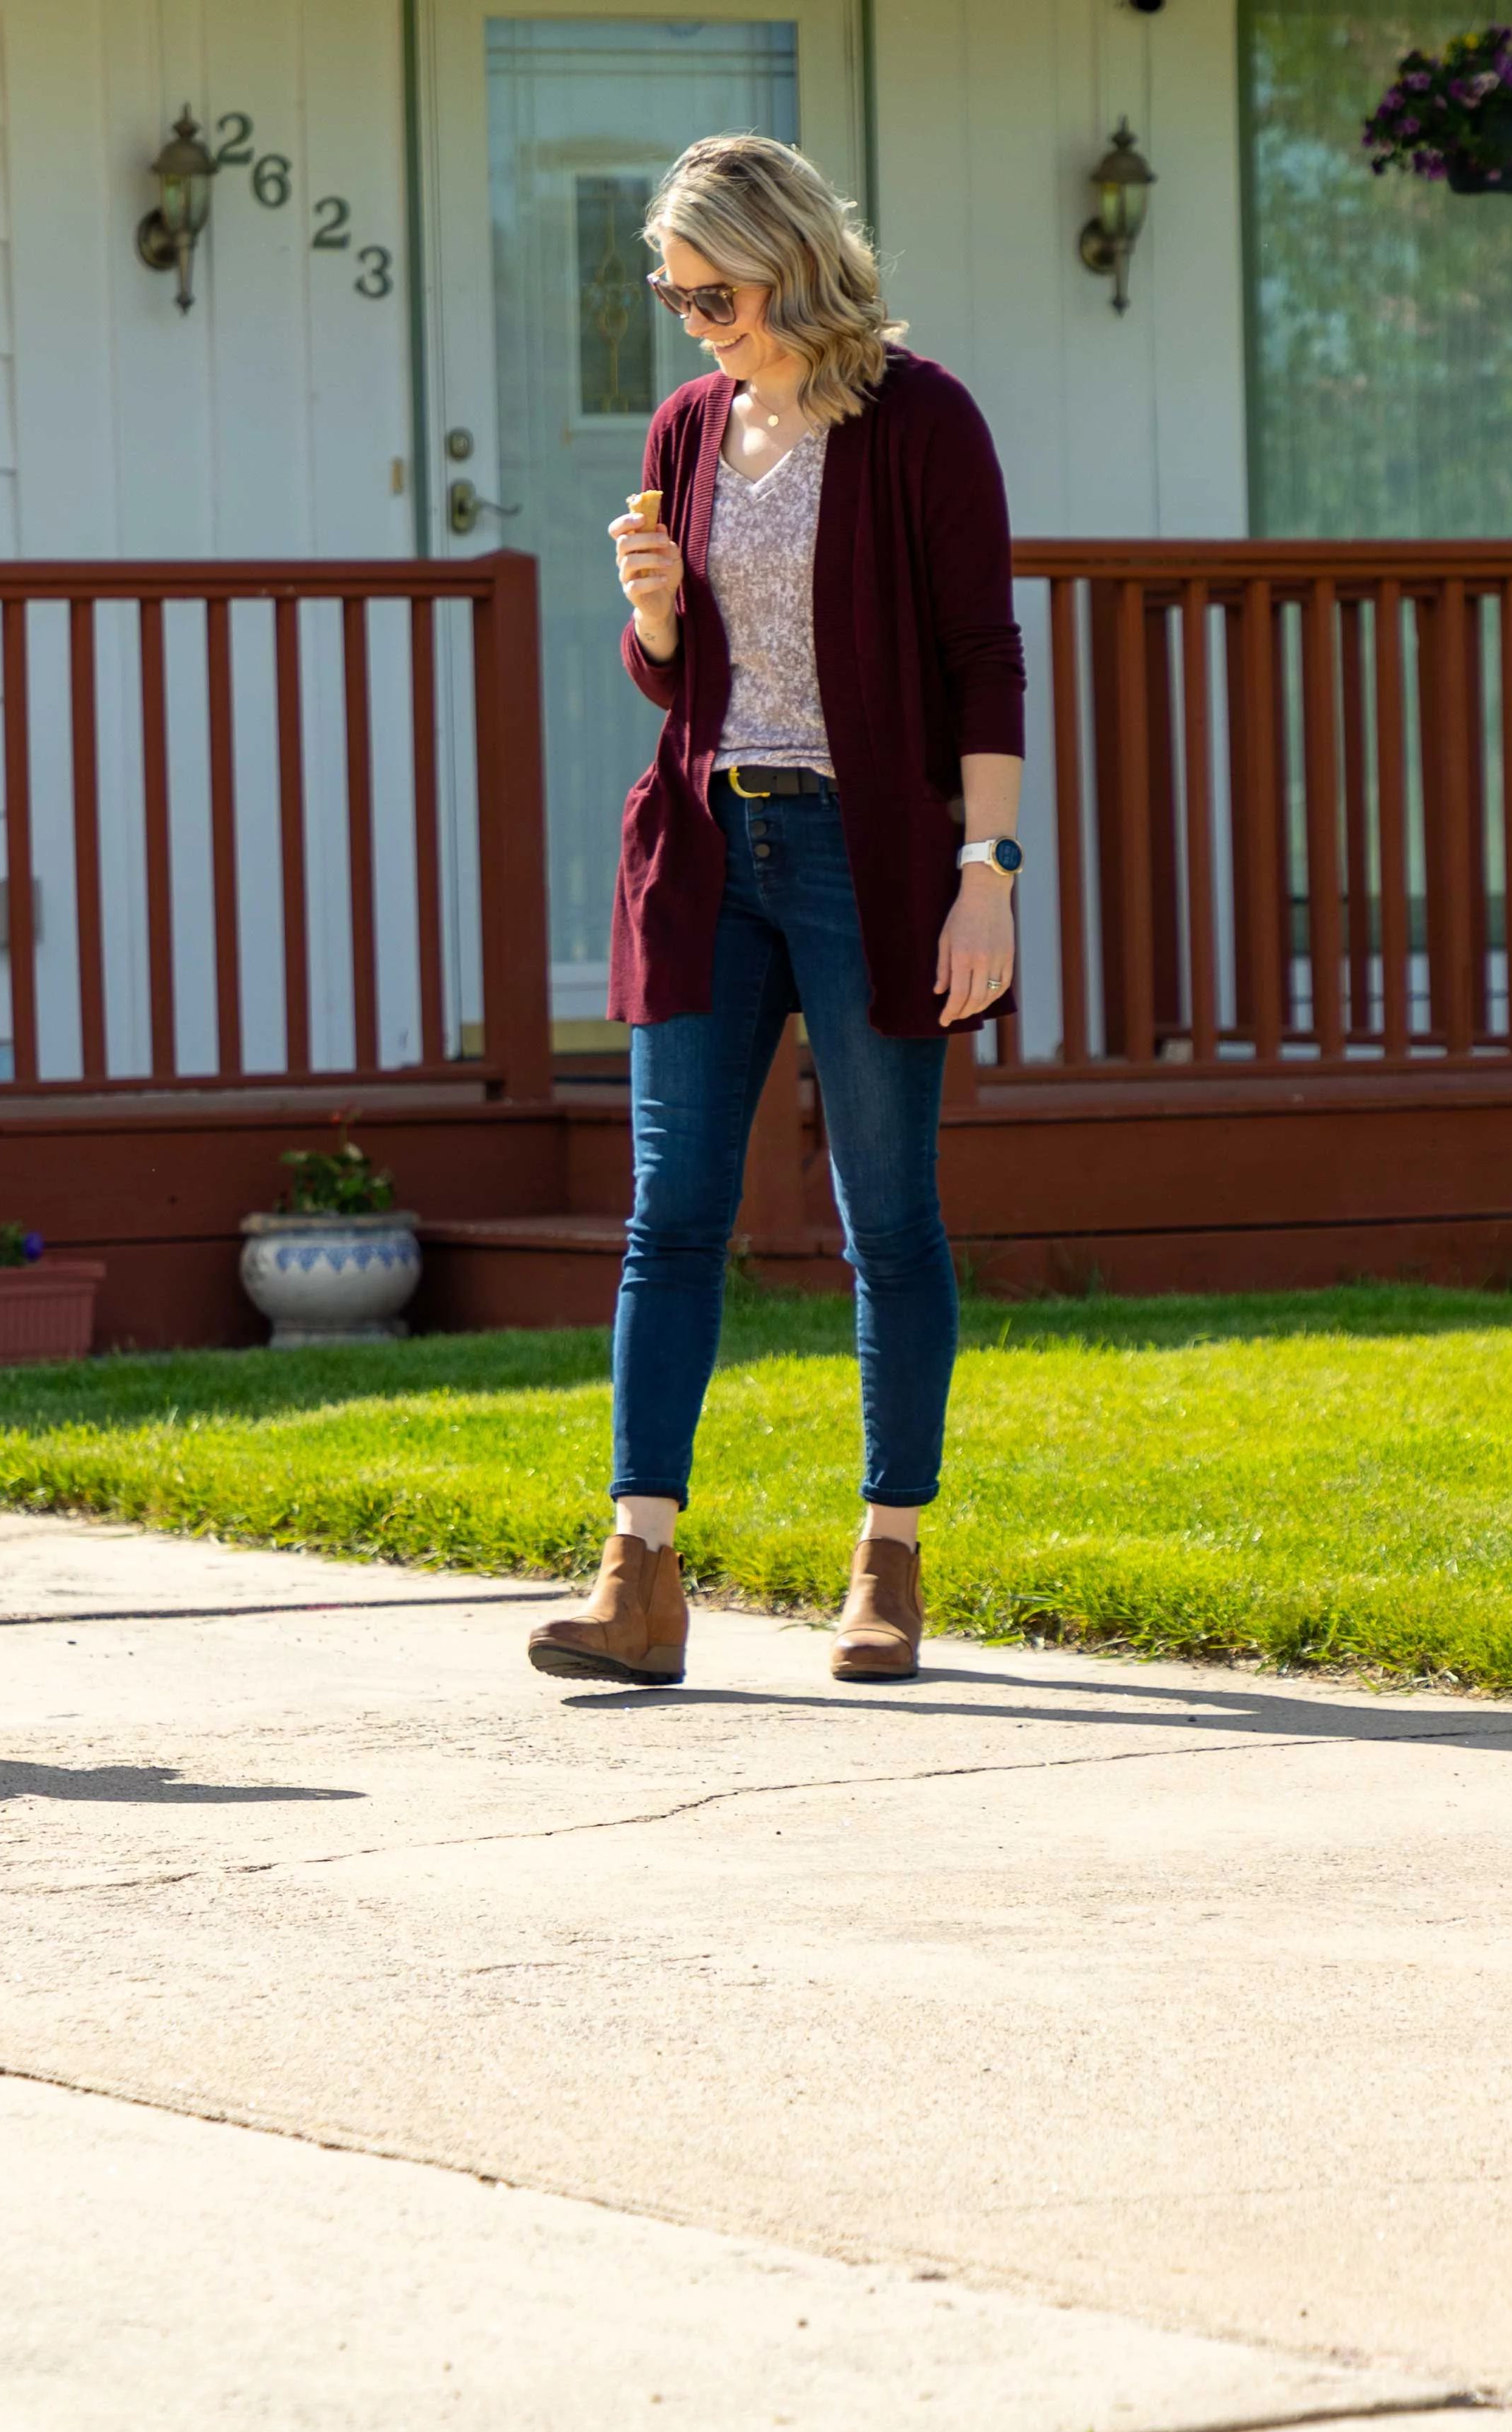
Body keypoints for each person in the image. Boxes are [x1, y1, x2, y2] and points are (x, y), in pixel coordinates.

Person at [525, 134, 1024, 1692]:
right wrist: (656, 609)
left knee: (889, 1219)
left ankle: (887, 1558)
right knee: (670, 1219)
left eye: (713, 291)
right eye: (674, 298)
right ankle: (640, 1573)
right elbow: (678, 682)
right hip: (703, 850)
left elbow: (982, 656)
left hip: (869, 858)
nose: (694, 321)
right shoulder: (690, 426)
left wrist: (986, 873)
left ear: (789, 259)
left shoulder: (921, 418)